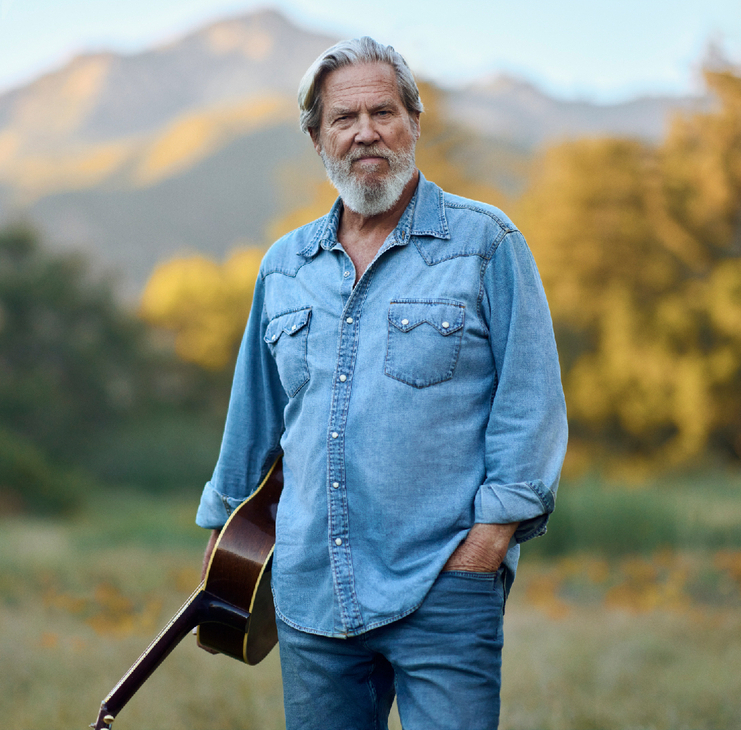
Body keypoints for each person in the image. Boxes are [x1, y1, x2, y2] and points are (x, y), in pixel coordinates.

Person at [195, 37, 567, 730]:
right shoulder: (285, 267)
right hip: (310, 592)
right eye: (343, 118)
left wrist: (487, 545)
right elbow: (252, 419)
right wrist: (224, 542)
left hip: (444, 585)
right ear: (318, 139)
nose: (365, 131)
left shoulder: (486, 244)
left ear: (414, 123)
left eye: (383, 112)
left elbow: (531, 405)